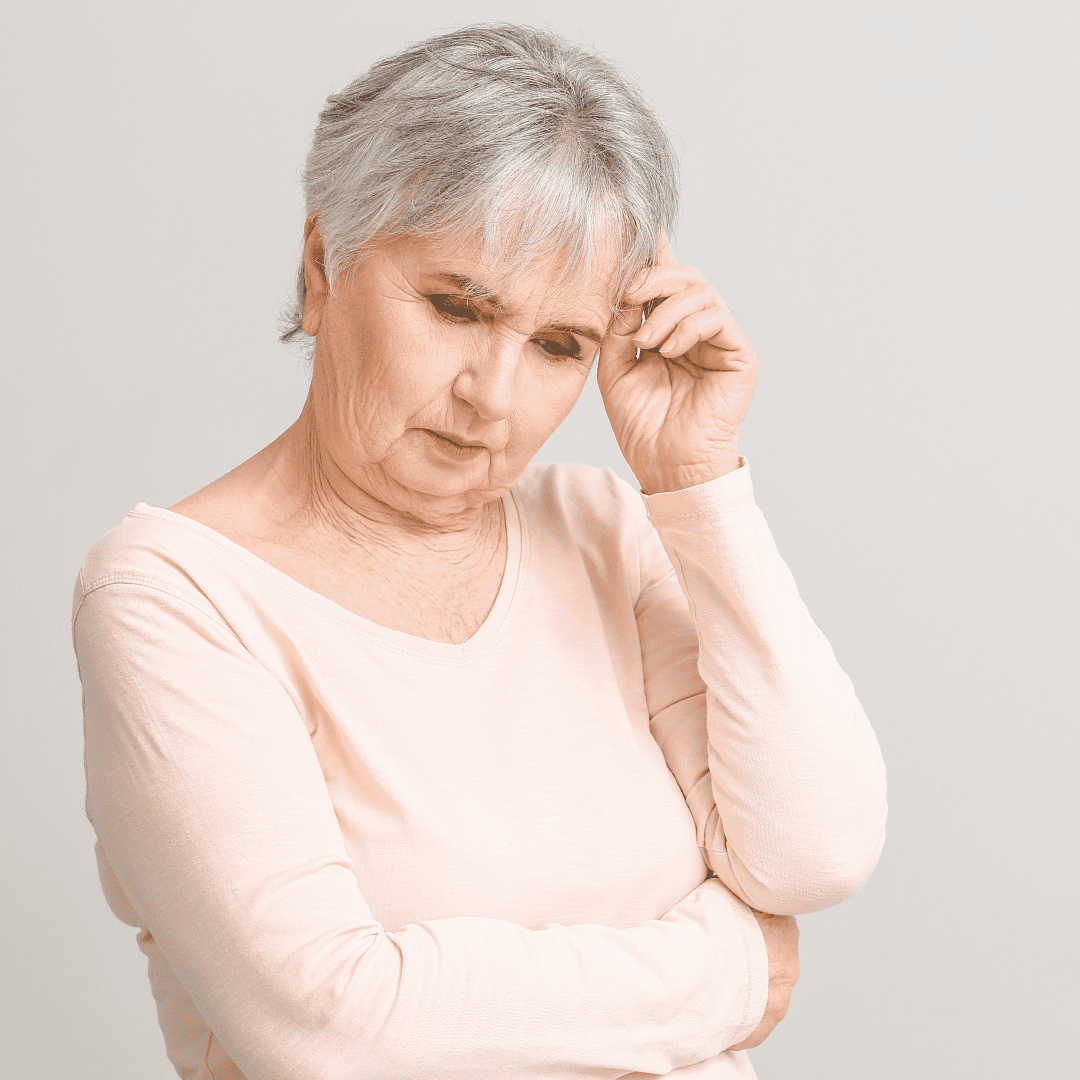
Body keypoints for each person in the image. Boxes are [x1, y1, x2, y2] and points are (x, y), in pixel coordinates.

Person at [71, 22, 887, 1080]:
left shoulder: (609, 529)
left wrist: (699, 486)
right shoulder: (174, 595)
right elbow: (327, 1025)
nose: (491, 396)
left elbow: (813, 853)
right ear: (323, 267)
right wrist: (727, 973)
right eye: (457, 308)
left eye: (560, 346)